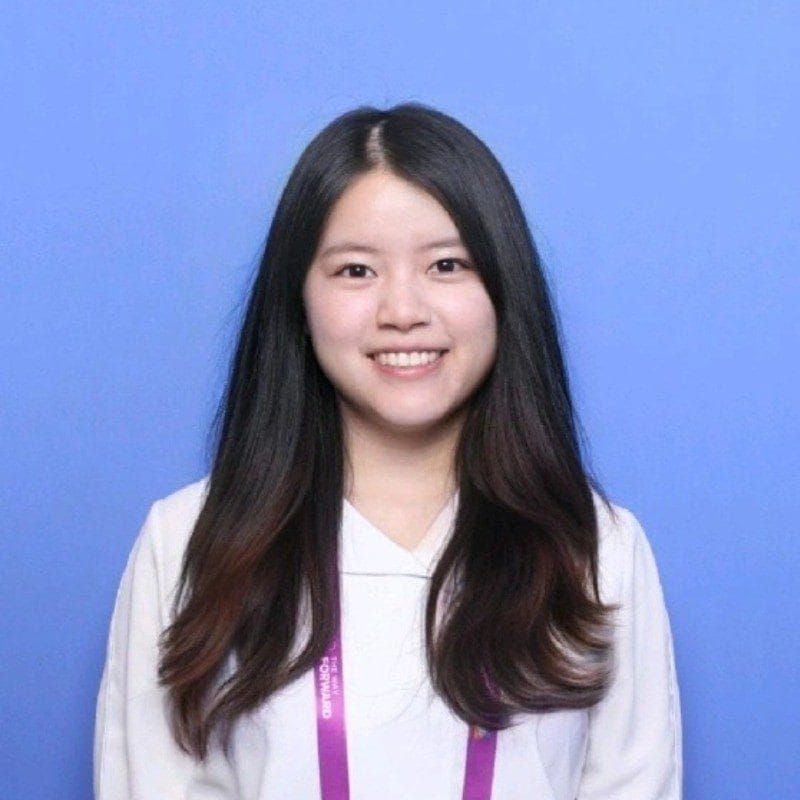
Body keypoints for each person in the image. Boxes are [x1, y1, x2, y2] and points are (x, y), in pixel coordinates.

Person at [94, 103, 682, 799]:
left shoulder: (594, 548)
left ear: (504, 290)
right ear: (298, 300)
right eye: (356, 271)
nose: (402, 311)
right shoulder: (192, 541)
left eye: (446, 264)